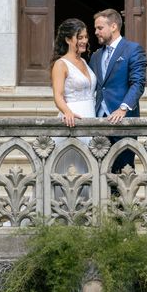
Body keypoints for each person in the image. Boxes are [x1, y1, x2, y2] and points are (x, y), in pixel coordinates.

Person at [89, 9, 147, 173]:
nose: (96, 32)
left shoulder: (133, 49)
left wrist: (123, 108)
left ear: (113, 26)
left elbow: (138, 83)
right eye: (96, 29)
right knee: (100, 173)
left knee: (124, 172)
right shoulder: (95, 56)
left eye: (100, 28)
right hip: (99, 121)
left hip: (124, 121)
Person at [50, 18, 97, 175]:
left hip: (91, 116)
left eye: (85, 37)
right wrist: (67, 112)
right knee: (62, 168)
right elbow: (57, 95)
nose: (84, 41)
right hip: (73, 116)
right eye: (80, 37)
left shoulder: (83, 61)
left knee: (88, 166)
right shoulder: (61, 64)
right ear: (68, 39)